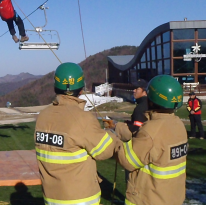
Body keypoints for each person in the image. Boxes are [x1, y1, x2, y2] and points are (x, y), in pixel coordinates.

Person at [35, 62, 118, 205]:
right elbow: (104, 150)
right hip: (81, 198)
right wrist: (111, 132)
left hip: (51, 197)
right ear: (81, 89)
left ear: (56, 86)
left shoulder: (42, 116)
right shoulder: (82, 118)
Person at [114, 75, 187, 205]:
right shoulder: (178, 125)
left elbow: (128, 160)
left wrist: (114, 140)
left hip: (150, 198)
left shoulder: (151, 131)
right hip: (172, 197)